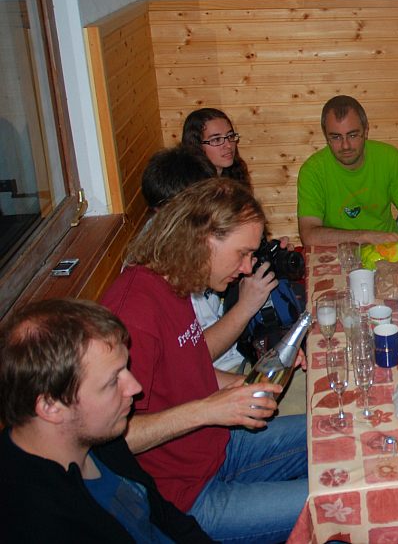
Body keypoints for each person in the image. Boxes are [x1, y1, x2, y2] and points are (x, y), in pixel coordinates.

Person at [101, 178, 307, 542]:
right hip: (186, 498)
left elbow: (187, 371)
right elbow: (113, 438)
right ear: (202, 239)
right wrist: (208, 410)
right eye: (242, 253)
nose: (247, 268)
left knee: (332, 433)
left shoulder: (176, 284)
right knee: (331, 501)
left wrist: (259, 376)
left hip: (219, 448)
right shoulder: (133, 314)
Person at [0, 298, 211, 543]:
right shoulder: (35, 522)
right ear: (51, 406)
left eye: (126, 369)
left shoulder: (101, 434)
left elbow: (165, 516)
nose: (135, 387)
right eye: (113, 381)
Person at [139, 145, 279, 372]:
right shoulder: (159, 277)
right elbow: (188, 363)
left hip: (242, 356)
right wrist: (246, 306)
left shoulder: (193, 252)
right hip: (226, 369)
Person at [297, 95, 398, 245]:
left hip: (388, 248)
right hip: (340, 251)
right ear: (326, 137)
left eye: (352, 135)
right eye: (336, 137)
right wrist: (365, 237)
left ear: (366, 131)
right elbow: (309, 236)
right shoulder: (313, 170)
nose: (345, 146)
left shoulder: (389, 157)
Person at [182, 107, 252, 186]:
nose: (229, 145)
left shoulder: (235, 177)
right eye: (216, 139)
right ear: (197, 145)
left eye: (230, 136)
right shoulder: (191, 188)